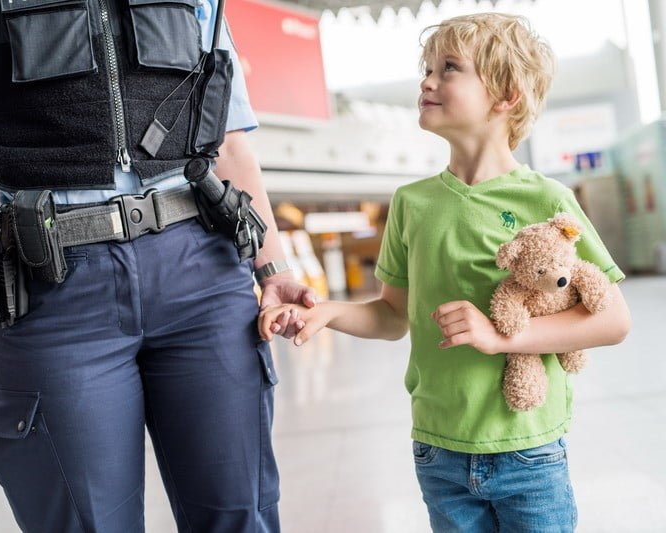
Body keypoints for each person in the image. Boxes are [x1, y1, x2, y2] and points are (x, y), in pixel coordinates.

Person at [0, 0, 312, 531]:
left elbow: (228, 139)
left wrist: (273, 272)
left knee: (240, 515)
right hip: (54, 286)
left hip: (202, 270)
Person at [260, 13, 632, 532]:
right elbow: (392, 315)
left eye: (449, 68)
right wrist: (328, 313)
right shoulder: (412, 203)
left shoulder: (546, 199)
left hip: (529, 448)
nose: (427, 81)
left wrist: (502, 337)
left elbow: (612, 320)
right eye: (426, 67)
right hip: (438, 448)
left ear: (505, 95)